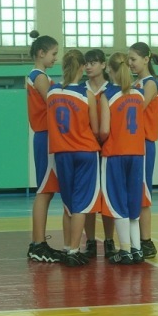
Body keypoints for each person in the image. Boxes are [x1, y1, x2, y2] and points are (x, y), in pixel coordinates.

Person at [47, 49, 101, 267]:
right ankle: (74, 250)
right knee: (81, 204)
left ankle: (67, 246)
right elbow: (95, 128)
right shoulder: (87, 95)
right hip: (85, 152)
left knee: (68, 204)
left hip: (62, 152)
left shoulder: (52, 92)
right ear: (82, 67)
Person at [99, 52, 146, 264]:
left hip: (115, 154)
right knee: (133, 202)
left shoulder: (107, 95)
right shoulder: (139, 95)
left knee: (117, 202)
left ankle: (124, 250)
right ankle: (137, 249)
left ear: (110, 69)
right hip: (137, 153)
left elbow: (104, 130)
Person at [25, 30, 64, 263]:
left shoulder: (40, 76)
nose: (55, 58)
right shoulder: (39, 76)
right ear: (41, 53)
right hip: (46, 136)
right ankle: (38, 243)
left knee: (46, 190)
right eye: (53, 54)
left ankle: (39, 242)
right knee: (44, 190)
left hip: (47, 136)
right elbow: (56, 103)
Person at [128, 42, 158, 259]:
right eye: (128, 60)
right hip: (132, 144)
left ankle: (147, 241)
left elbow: (136, 109)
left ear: (146, 59)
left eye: (133, 59)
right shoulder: (136, 83)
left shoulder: (149, 84)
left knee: (143, 193)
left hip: (144, 144)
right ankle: (134, 240)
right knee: (134, 191)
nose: (130, 63)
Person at [83, 49, 116, 259]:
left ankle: (109, 240)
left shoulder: (111, 90)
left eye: (93, 62)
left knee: (107, 196)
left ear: (104, 65)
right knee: (88, 197)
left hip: (108, 149)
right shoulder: (80, 89)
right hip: (86, 149)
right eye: (86, 63)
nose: (88, 66)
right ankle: (90, 240)